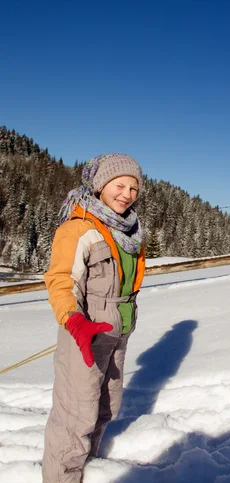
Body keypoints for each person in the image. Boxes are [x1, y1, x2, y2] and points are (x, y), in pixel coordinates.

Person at [42, 153, 146, 483]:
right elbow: (61, 281)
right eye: (120, 184)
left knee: (105, 408)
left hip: (117, 333)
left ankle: (90, 468)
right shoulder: (80, 228)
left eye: (134, 187)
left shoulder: (130, 232)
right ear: (101, 185)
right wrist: (74, 321)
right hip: (83, 335)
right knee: (75, 417)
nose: (127, 193)